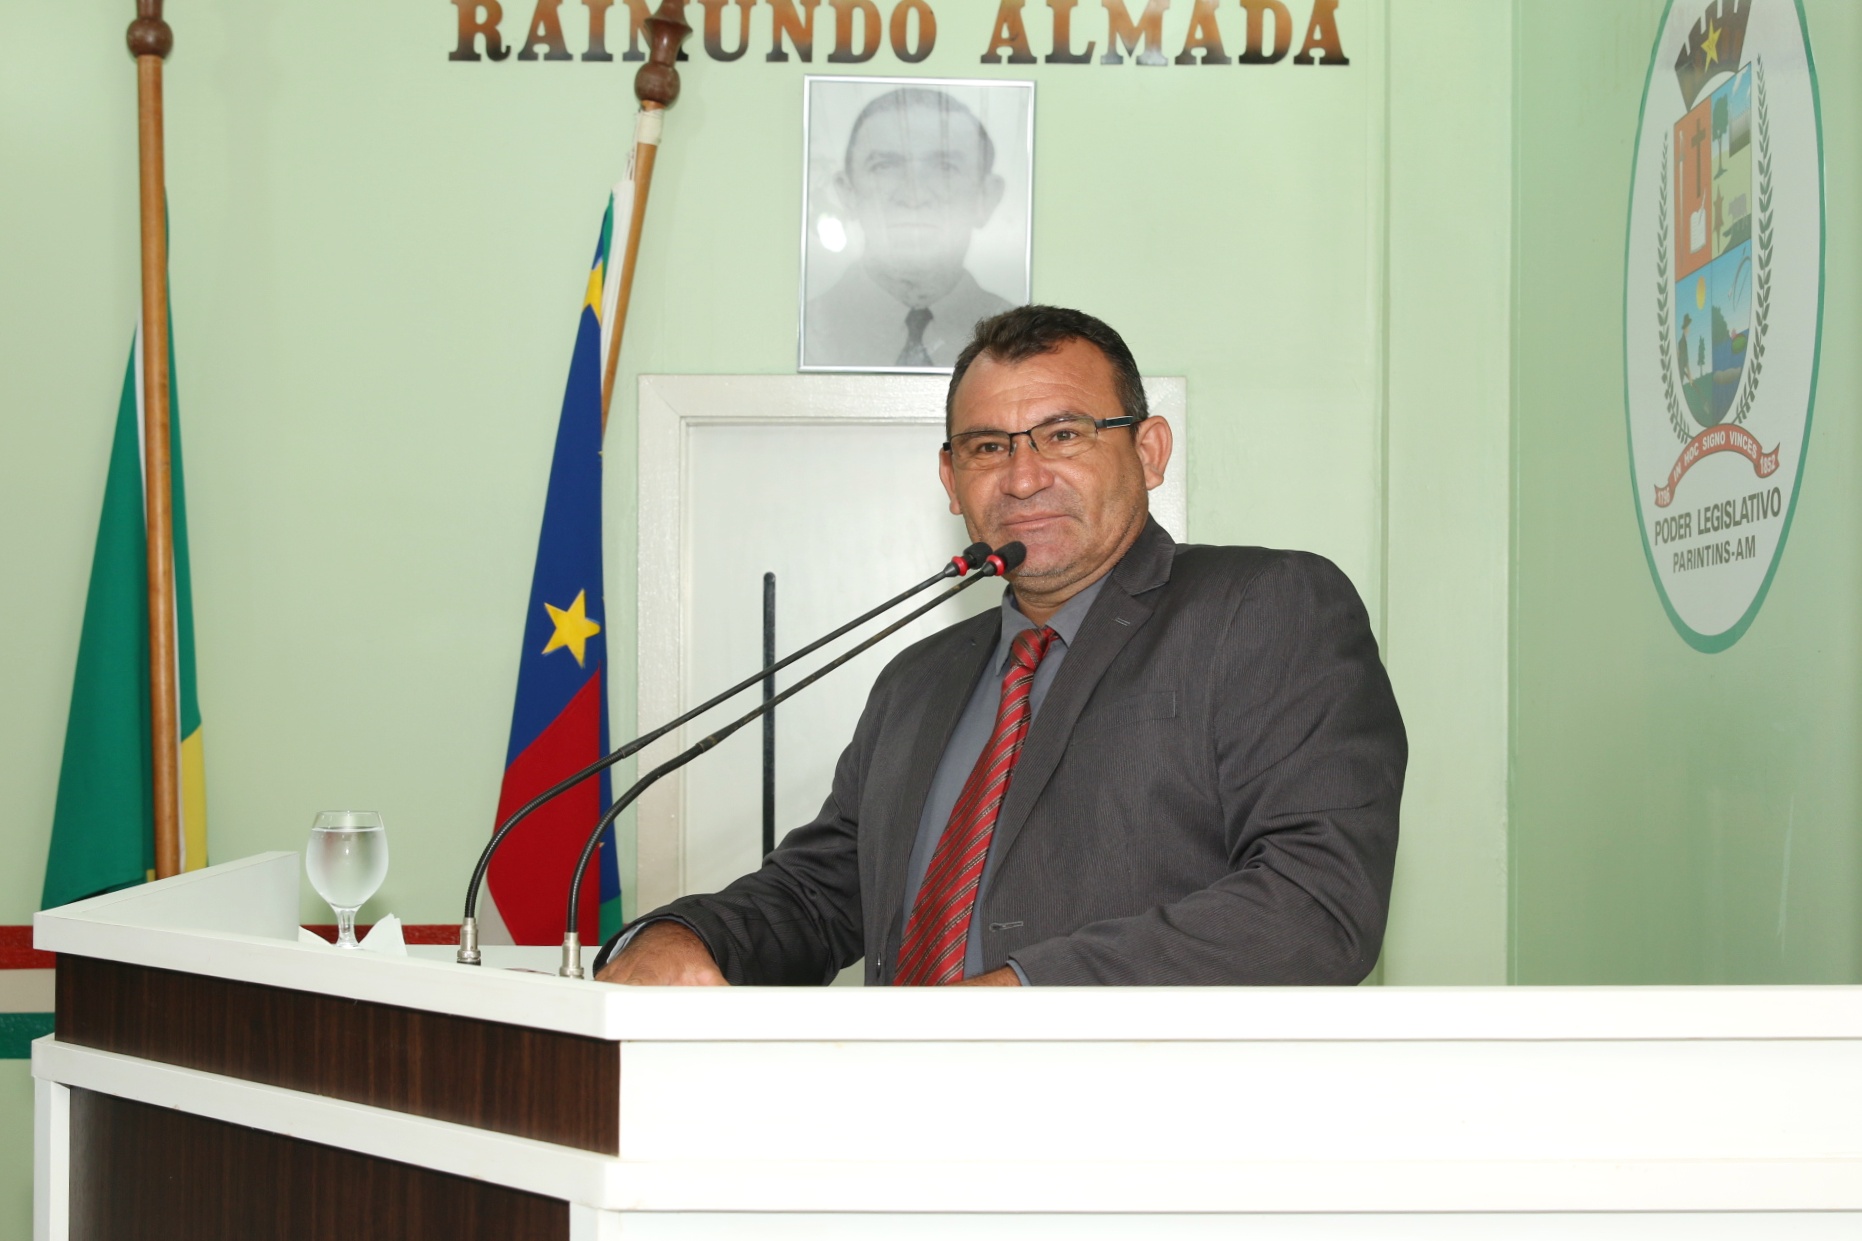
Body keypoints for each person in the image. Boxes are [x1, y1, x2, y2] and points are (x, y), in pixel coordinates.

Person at [598, 305, 1405, 987]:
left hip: (1148, 1145)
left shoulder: (1265, 610)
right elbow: (826, 890)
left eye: (1063, 433)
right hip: (892, 1138)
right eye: (989, 446)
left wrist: (1023, 994)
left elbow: (1317, 899)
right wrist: (685, 936)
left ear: (1150, 451)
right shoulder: (918, 678)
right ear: (951, 480)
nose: (1022, 478)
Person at [803, 87, 1017, 370]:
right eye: (884, 166)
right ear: (848, 193)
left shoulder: (1024, 338)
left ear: (985, 198)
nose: (913, 196)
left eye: (944, 167)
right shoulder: (804, 329)